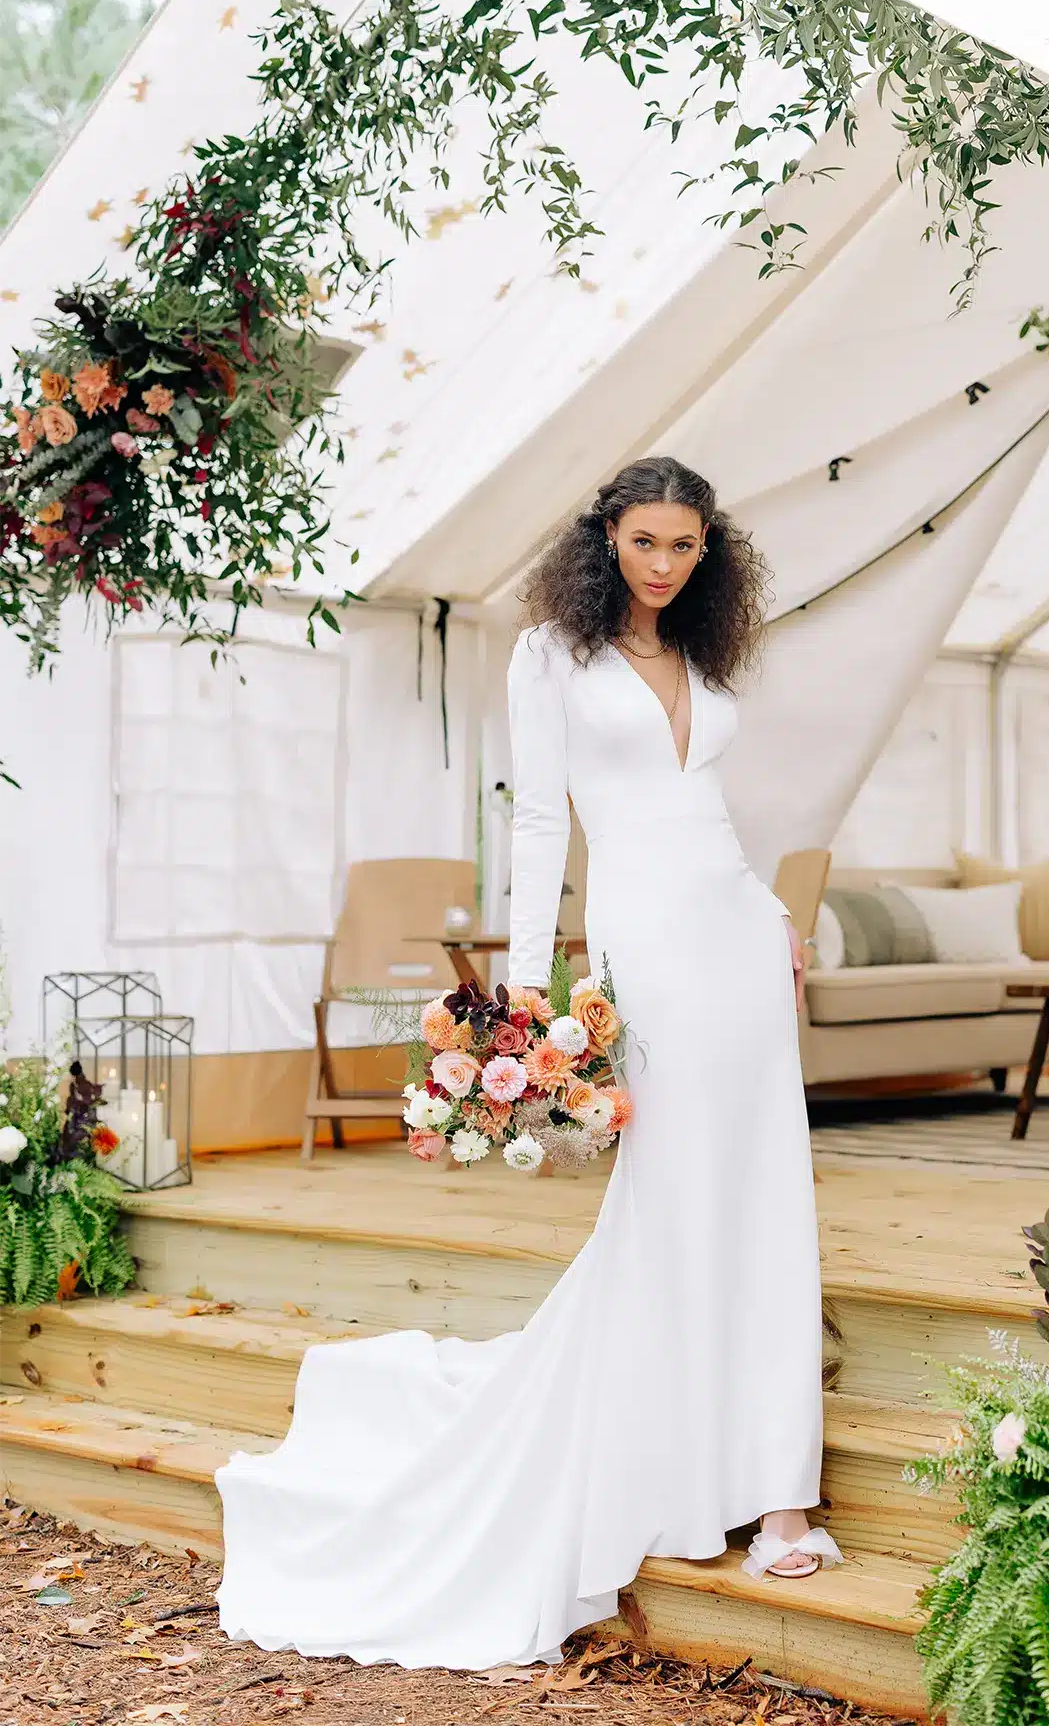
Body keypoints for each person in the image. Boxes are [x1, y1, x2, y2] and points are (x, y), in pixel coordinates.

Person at [214, 454, 839, 1671]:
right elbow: (543, 818)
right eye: (648, 541)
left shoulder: (702, 660)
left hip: (734, 929)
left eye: (687, 546)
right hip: (642, 938)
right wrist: (528, 981)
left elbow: (706, 806)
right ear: (607, 537)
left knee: (768, 1195)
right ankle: (676, 1467)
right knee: (668, 1193)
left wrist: (772, 910)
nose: (666, 563)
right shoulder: (549, 652)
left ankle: (779, 1494)